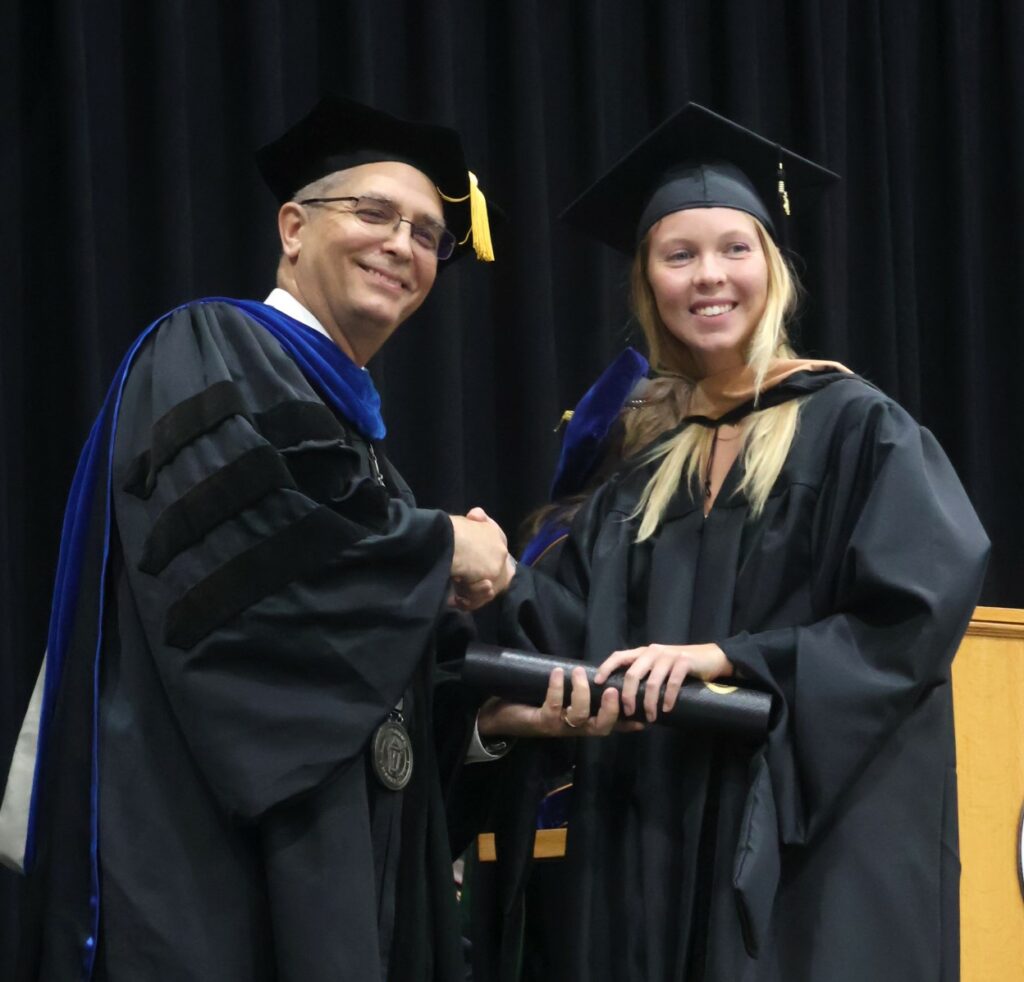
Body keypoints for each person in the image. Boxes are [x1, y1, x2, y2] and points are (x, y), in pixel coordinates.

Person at [472, 103, 989, 981]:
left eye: (733, 249)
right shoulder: (640, 483)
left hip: (818, 855)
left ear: (772, 267)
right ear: (649, 283)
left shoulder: (859, 429)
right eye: (679, 256)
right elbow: (568, 630)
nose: (708, 276)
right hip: (661, 847)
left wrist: (727, 658)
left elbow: (910, 616)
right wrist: (485, 580)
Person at [8, 95, 512, 982]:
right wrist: (442, 548)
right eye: (374, 212)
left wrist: (486, 718)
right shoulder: (208, 346)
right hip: (203, 867)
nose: (402, 244)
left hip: (324, 879)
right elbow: (266, 577)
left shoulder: (366, 452)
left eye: (429, 234)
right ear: (293, 227)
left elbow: (371, 682)